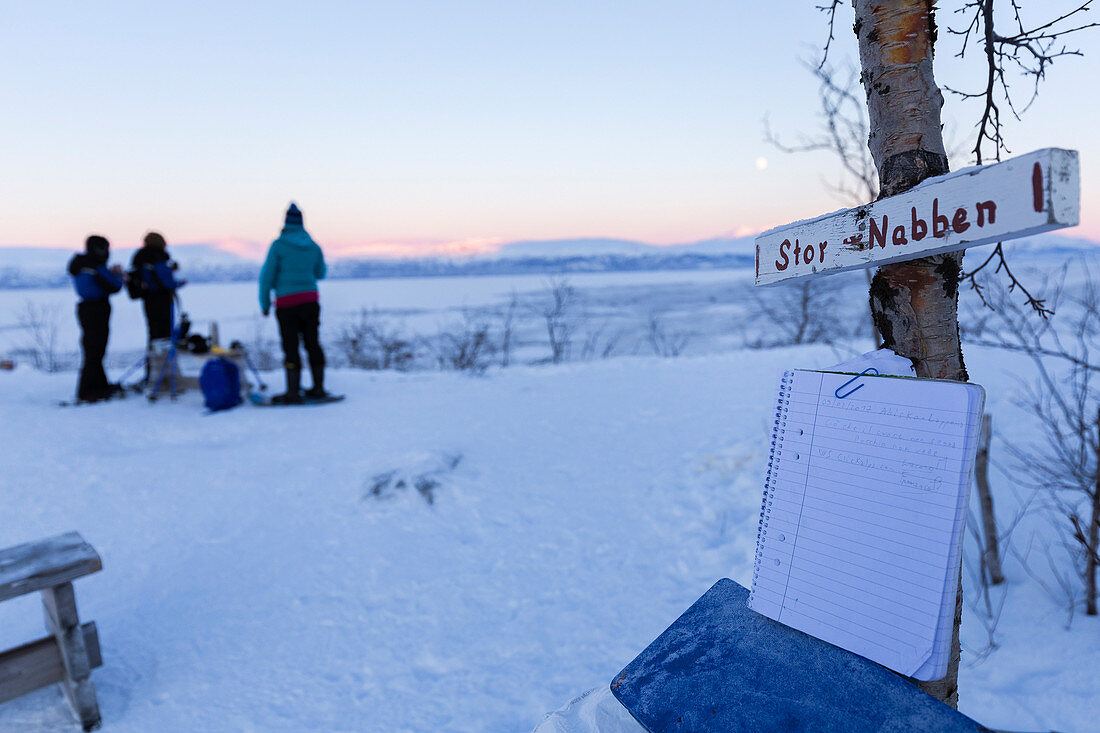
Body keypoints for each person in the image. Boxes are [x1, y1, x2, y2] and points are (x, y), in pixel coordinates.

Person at [259, 203, 328, 404]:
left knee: (291, 346)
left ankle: (293, 391)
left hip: (286, 303)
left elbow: (266, 278)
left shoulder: (278, 245)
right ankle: (318, 388)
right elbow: (320, 273)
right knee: (313, 343)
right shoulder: (314, 246)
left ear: (286, 222)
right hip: (310, 301)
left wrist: (264, 304)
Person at [67, 235, 125, 402]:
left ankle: (99, 386)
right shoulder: (94, 265)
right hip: (97, 308)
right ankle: (88, 391)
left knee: (92, 349)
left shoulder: (81, 264)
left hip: (85, 308)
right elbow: (113, 286)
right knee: (95, 350)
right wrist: (118, 275)